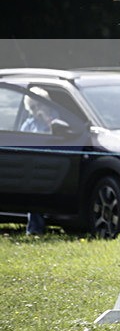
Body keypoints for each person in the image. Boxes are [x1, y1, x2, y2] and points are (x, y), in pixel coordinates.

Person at [20, 87, 56, 234]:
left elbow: (60, 136)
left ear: (47, 103)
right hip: (33, 166)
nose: (36, 110)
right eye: (33, 107)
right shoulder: (29, 124)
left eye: (39, 105)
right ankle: (34, 229)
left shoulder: (57, 120)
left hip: (54, 162)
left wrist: (47, 121)